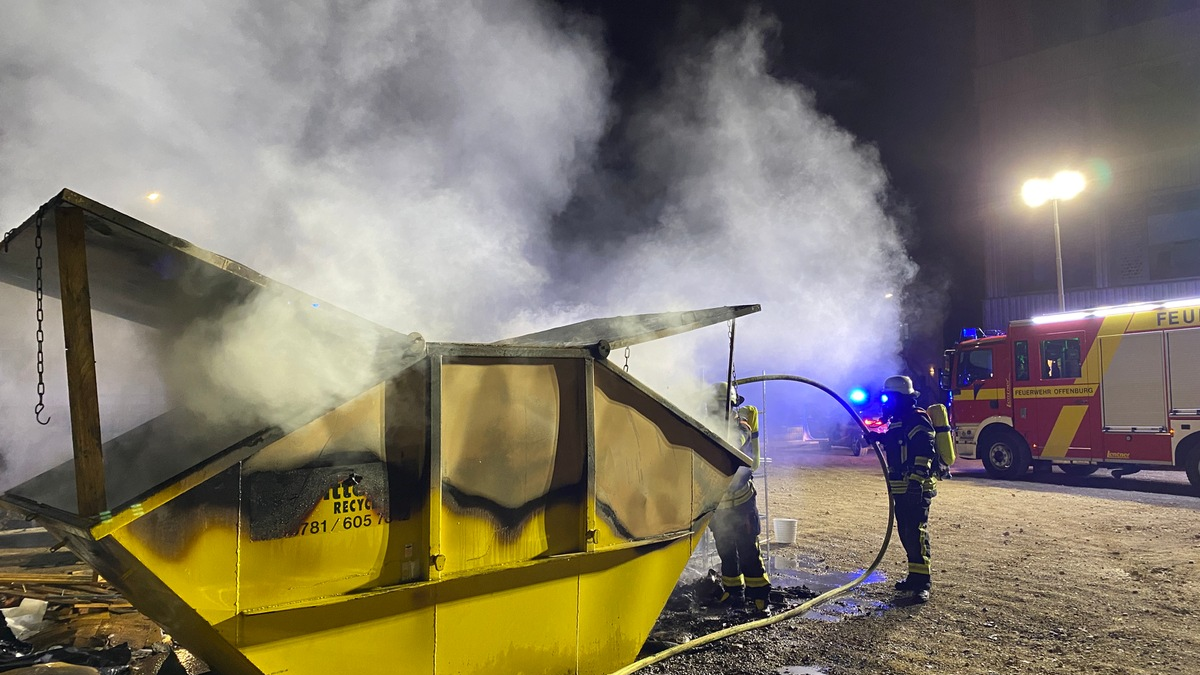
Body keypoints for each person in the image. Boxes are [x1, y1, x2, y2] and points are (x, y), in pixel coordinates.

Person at [866, 375, 938, 603]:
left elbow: (925, 451)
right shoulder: (901, 420)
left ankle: (923, 584)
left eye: (889, 397)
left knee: (915, 533)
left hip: (915, 487)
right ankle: (914, 577)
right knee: (906, 532)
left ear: (900, 397)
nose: (886, 403)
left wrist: (916, 483)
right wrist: (876, 437)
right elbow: (896, 441)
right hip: (902, 487)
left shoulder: (917, 420)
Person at [706, 382, 772, 611]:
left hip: (742, 502)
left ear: (731, 407)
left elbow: (737, 440)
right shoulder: (710, 426)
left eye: (719, 407)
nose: (715, 412)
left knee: (748, 550)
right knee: (725, 549)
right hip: (720, 504)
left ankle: (759, 595)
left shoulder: (740, 425)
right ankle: (733, 591)